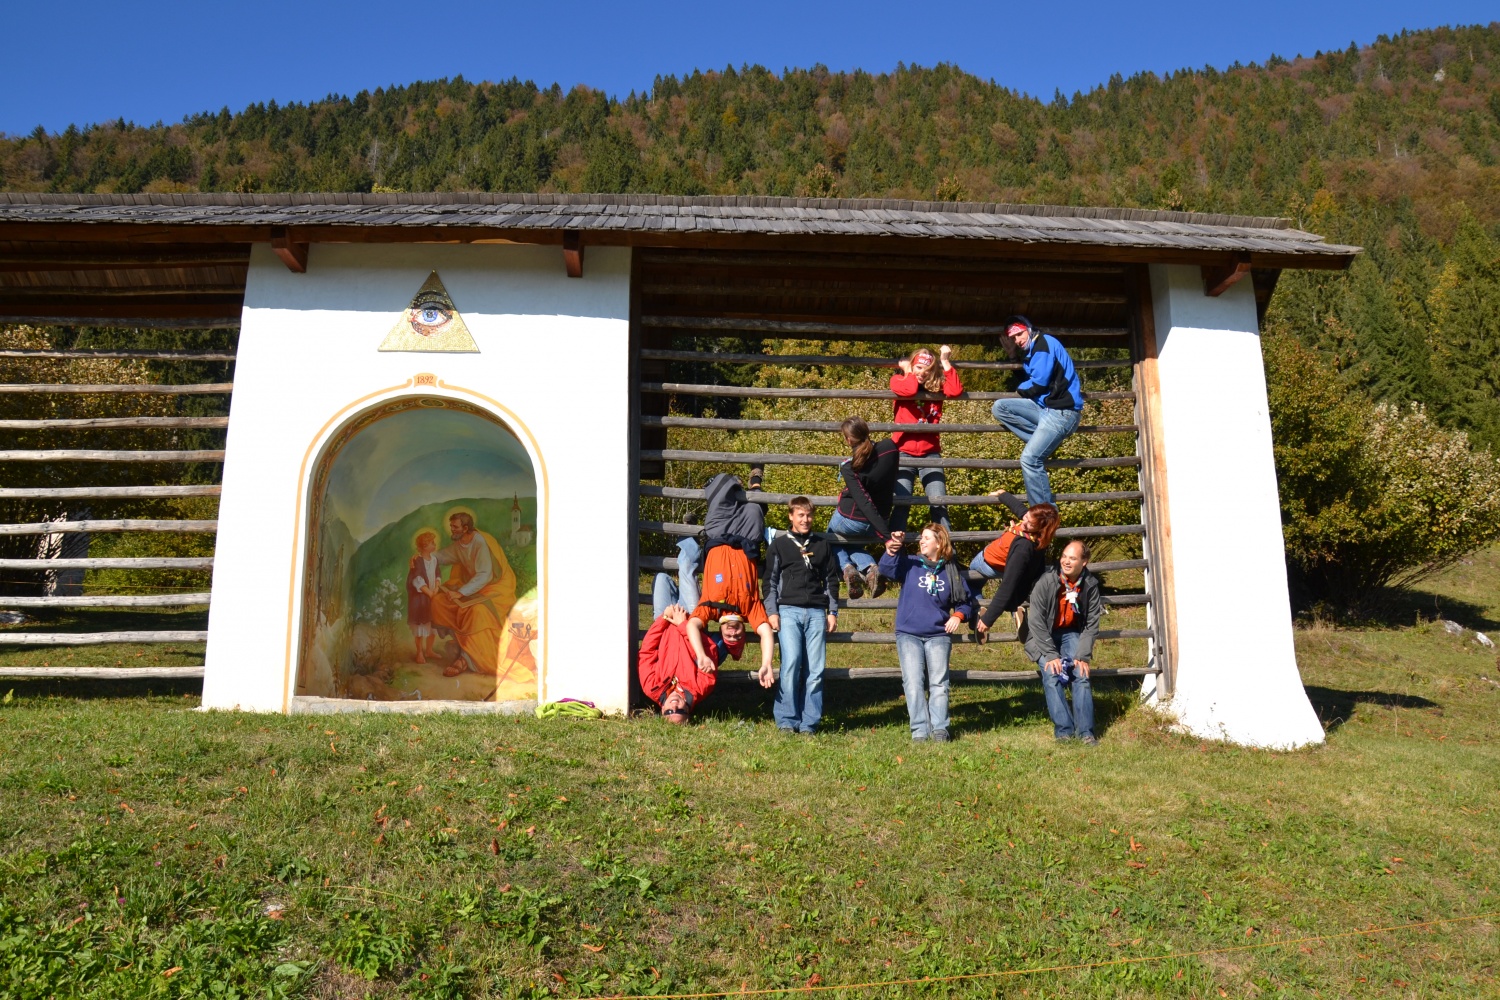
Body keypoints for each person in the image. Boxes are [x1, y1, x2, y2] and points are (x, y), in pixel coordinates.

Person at [879, 523, 976, 743]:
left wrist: (957, 616)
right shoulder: (911, 564)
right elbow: (886, 569)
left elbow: (966, 603)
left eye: (926, 538)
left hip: (938, 636)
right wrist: (892, 549)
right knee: (913, 683)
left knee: (939, 683)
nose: (921, 541)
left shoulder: (950, 570)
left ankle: (940, 729)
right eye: (921, 538)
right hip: (909, 633)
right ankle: (920, 731)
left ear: (939, 543)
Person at [687, 473, 776, 686]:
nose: (733, 634)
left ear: (722, 632)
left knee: (725, 483)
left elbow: (692, 625)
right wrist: (767, 663)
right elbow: (765, 633)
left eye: (730, 637)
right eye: (738, 636)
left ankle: (739, 484)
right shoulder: (750, 610)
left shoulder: (712, 609)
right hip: (748, 537)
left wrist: (701, 654)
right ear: (744, 632)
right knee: (755, 508)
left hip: (718, 534)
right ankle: (755, 482)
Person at [764, 496, 840, 735]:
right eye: (800, 515)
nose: (805, 520)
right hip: (788, 610)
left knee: (815, 670)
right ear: (791, 516)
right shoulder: (779, 545)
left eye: (808, 515)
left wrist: (832, 612)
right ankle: (787, 719)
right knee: (791, 664)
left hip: (817, 611)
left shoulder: (821, 544)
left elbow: (831, 580)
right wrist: (772, 612)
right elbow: (770, 581)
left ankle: (810, 722)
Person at [989, 315, 1083, 505]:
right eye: (1013, 337)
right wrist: (1012, 356)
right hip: (1047, 409)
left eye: (1019, 334)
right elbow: (1028, 379)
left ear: (1029, 329)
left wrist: (1019, 389)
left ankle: (1044, 512)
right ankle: (1044, 442)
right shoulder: (1034, 350)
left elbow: (1038, 385)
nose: (1017, 340)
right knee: (1001, 407)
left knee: (1030, 460)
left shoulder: (1043, 345)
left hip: (1062, 412)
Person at [1025, 540, 1103, 744]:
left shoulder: (1090, 585)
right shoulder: (1047, 581)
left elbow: (1092, 623)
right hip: (1042, 636)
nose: (1066, 561)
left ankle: (1086, 732)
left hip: (1070, 632)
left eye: (1073, 558)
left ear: (1084, 562)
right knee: (1051, 672)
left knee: (1081, 672)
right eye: (1064, 556)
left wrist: (1082, 655)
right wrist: (1051, 655)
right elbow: (1035, 621)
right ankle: (1064, 731)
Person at [429, 511, 517, 678]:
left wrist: (460, 592)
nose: (452, 530)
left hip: (496, 588)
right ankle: (462, 645)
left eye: (455, 527)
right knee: (439, 602)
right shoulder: (461, 543)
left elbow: (485, 575)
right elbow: (442, 556)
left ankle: (465, 659)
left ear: (465, 528)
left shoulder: (480, 542)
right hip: (474, 587)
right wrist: (423, 557)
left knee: (477, 612)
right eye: (451, 526)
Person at [890, 345, 963, 533]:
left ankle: (947, 554)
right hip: (903, 453)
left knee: (939, 503)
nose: (922, 373)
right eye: (918, 367)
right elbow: (909, 389)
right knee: (901, 504)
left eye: (928, 369)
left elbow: (955, 391)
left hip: (930, 453)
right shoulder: (898, 380)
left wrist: (945, 362)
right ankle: (893, 555)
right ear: (912, 366)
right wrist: (907, 371)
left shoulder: (937, 388)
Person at [971, 492, 1061, 642]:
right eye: (1026, 518)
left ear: (1040, 528)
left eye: (1029, 523)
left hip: (988, 562)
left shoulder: (1023, 547)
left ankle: (978, 611)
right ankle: (1017, 610)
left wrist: (989, 618)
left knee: (969, 583)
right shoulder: (1037, 534)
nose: (1024, 522)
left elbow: (1008, 584)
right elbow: (1019, 508)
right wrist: (1003, 494)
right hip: (1005, 563)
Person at [830, 416, 900, 599]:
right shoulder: (889, 448)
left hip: (850, 519)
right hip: (881, 519)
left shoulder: (850, 466)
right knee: (852, 544)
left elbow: (863, 501)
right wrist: (884, 532)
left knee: (830, 539)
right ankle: (870, 568)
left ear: (848, 440)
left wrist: (886, 538)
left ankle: (847, 569)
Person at [638, 603, 742, 723]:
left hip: (664, 619)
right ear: (688, 710)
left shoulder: (651, 687)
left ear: (662, 710)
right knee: (687, 584)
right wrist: (683, 625)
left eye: (669, 712)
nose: (674, 706)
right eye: (680, 711)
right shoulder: (701, 687)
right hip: (690, 619)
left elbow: (646, 652)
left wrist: (664, 618)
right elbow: (709, 648)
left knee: (661, 583)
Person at [406, 530, 440, 663]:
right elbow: (417, 580)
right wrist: (429, 593)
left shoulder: (435, 560)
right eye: (432, 542)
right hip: (421, 598)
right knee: (421, 626)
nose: (434, 544)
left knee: (432, 626)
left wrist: (436, 587)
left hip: (432, 596)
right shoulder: (418, 561)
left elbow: (438, 574)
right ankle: (419, 652)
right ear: (425, 546)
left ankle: (429, 650)